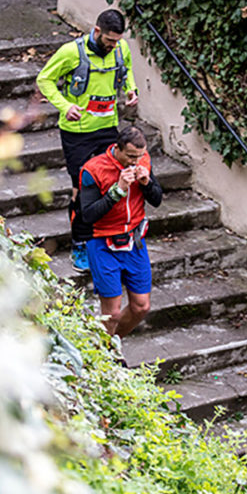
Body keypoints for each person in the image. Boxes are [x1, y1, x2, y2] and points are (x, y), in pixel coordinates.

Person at [36, 8, 138, 271]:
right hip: (77, 132)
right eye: (109, 41)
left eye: (117, 41)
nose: (113, 46)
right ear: (96, 31)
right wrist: (64, 105)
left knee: (113, 183)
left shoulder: (120, 49)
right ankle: (80, 243)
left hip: (107, 127)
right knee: (82, 189)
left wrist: (131, 90)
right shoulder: (71, 52)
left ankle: (106, 236)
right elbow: (44, 79)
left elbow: (126, 71)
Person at [79, 125, 162, 339]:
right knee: (112, 313)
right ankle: (106, 356)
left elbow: (157, 199)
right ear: (118, 148)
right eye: (131, 156)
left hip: (134, 243)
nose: (135, 161)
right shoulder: (93, 169)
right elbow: (87, 215)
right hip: (103, 243)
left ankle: (111, 345)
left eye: (140, 156)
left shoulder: (143, 161)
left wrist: (147, 183)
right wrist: (117, 191)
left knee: (141, 307)